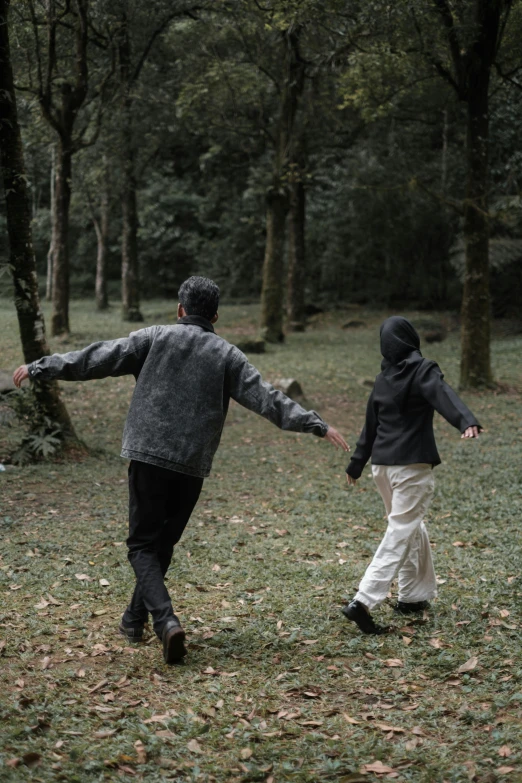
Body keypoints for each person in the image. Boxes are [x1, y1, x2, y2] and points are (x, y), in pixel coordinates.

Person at [13, 276, 348, 663]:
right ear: (216, 316)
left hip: (148, 456)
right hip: (190, 465)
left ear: (179, 310)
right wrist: (317, 424)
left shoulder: (154, 336)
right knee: (163, 544)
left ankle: (165, 621)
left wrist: (42, 367)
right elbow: (268, 399)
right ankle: (133, 620)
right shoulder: (227, 355)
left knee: (142, 546)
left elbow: (96, 358)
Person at [342, 316, 482, 635]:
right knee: (401, 531)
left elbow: (369, 427)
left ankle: (413, 596)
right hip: (410, 467)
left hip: (382, 468)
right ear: (411, 340)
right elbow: (442, 393)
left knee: (409, 526)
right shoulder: (422, 370)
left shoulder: (383, 379)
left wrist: (356, 464)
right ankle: (362, 601)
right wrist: (466, 421)